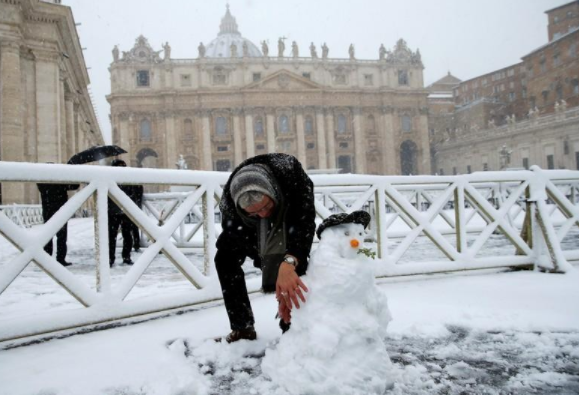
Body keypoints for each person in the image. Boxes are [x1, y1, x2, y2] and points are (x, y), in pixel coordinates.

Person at [215, 153, 316, 343]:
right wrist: (265, 263)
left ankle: (293, 326)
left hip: (288, 209)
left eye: (265, 207)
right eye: (254, 212)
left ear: (271, 193)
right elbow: (234, 238)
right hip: (249, 225)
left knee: (292, 264)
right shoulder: (231, 204)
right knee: (224, 259)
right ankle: (242, 327)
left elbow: (304, 225)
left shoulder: (291, 175)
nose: (263, 214)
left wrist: (288, 262)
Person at [37, 174, 79, 267]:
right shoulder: (60, 182)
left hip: (48, 210)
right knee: (61, 236)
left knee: (49, 236)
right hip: (61, 211)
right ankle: (60, 259)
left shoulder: (42, 182)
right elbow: (75, 186)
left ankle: (47, 258)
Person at [108, 159, 136, 266]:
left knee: (121, 236)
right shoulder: (126, 178)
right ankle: (122, 257)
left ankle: (117, 257)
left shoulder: (112, 178)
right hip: (117, 211)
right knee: (118, 236)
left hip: (119, 211)